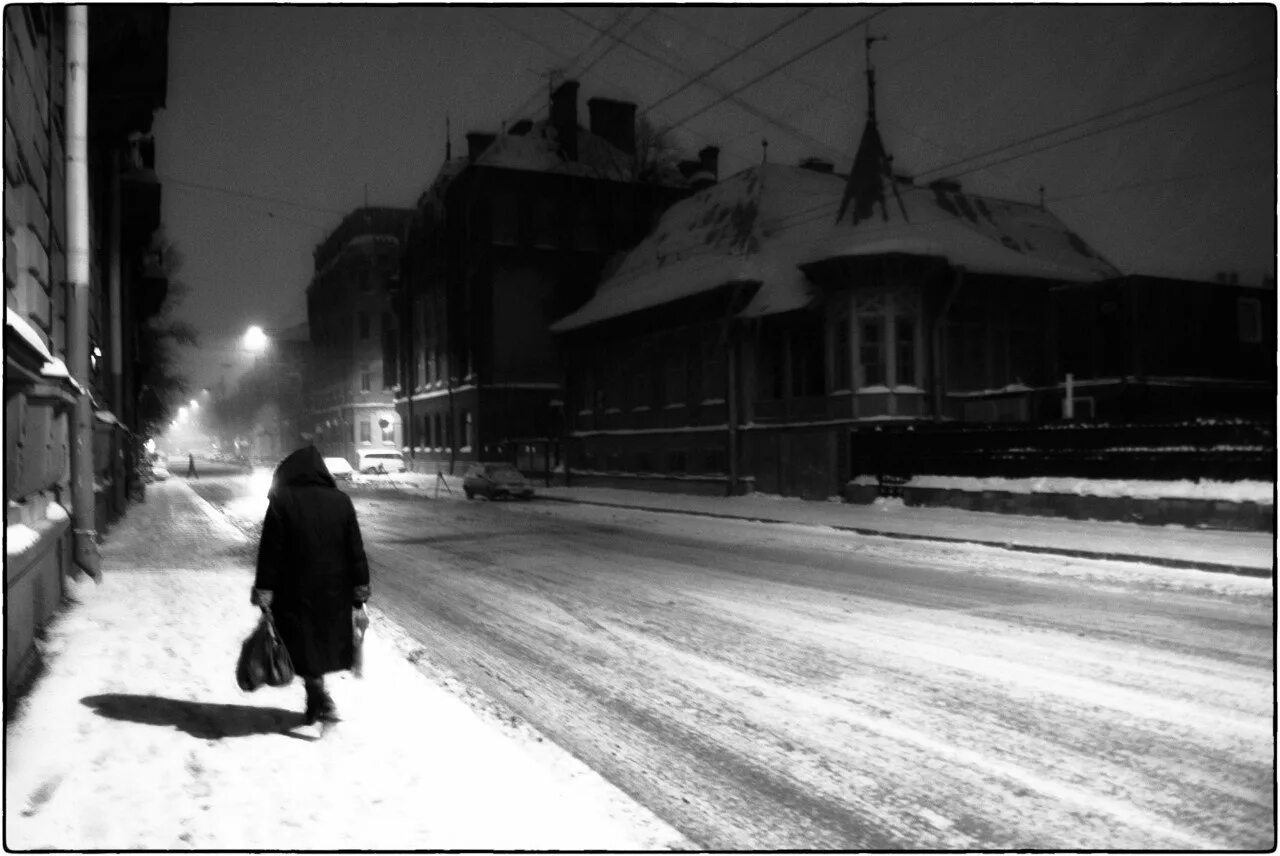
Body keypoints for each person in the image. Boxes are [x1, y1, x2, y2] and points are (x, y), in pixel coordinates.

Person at [251, 446, 371, 725]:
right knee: (322, 645)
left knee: (303, 646)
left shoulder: (282, 501)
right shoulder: (340, 501)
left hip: (294, 591)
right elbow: (355, 550)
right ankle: (318, 698)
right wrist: (359, 589)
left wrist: (265, 592)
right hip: (334, 592)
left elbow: (270, 552)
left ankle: (318, 698)